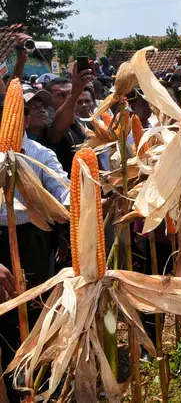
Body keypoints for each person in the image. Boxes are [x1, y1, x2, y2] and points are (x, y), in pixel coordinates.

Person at [0, 99, 70, 400]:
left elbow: (63, 193)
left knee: (38, 312)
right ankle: (12, 387)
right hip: (1, 243)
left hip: (34, 238)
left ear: (26, 120)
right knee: (6, 321)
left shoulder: (42, 155)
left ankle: (39, 385)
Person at [42, 64, 94, 175]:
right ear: (49, 102)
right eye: (61, 95)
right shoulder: (48, 128)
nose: (68, 98)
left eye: (69, 93)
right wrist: (74, 93)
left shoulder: (87, 126)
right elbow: (58, 128)